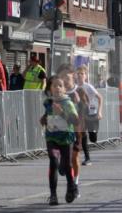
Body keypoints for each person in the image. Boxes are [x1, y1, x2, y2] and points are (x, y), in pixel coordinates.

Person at [40, 76, 79, 205]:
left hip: (65, 137)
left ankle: (71, 187)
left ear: (64, 89)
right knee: (53, 161)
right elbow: (49, 113)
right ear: (50, 88)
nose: (57, 88)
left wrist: (62, 112)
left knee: (66, 166)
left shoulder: (68, 103)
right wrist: (44, 118)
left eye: (60, 86)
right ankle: (53, 195)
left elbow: (75, 121)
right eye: (54, 85)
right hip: (51, 136)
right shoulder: (48, 102)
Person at [57, 65, 87, 191]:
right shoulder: (58, 92)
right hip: (61, 129)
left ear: (72, 76)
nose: (64, 79)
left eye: (67, 76)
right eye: (62, 76)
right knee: (64, 158)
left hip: (76, 129)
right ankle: (63, 163)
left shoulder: (79, 91)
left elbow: (85, 109)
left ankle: (75, 183)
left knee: (74, 156)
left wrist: (79, 102)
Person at [76, 65, 103, 165]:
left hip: (92, 113)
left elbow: (100, 98)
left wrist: (100, 111)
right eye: (78, 73)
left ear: (85, 76)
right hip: (81, 114)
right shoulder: (75, 87)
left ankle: (94, 134)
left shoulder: (88, 86)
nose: (79, 75)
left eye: (82, 74)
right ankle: (87, 158)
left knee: (93, 138)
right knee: (83, 135)